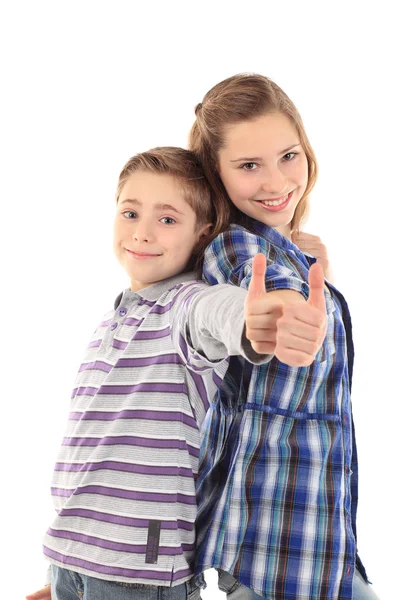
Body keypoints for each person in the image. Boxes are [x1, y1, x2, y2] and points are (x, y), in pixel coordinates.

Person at [26, 147, 327, 600]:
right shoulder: (112, 321)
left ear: (202, 233)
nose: (142, 233)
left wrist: (259, 321)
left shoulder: (184, 305)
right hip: (71, 559)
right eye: (130, 213)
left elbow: (219, 314)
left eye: (167, 220)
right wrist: (63, 571)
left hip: (136, 573)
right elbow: (93, 453)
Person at [189, 74, 380, 600]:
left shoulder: (294, 252)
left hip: (324, 533)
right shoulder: (232, 250)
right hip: (269, 544)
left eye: (288, 156)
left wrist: (319, 276)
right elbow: (262, 303)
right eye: (249, 166)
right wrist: (285, 316)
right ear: (216, 176)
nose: (276, 182)